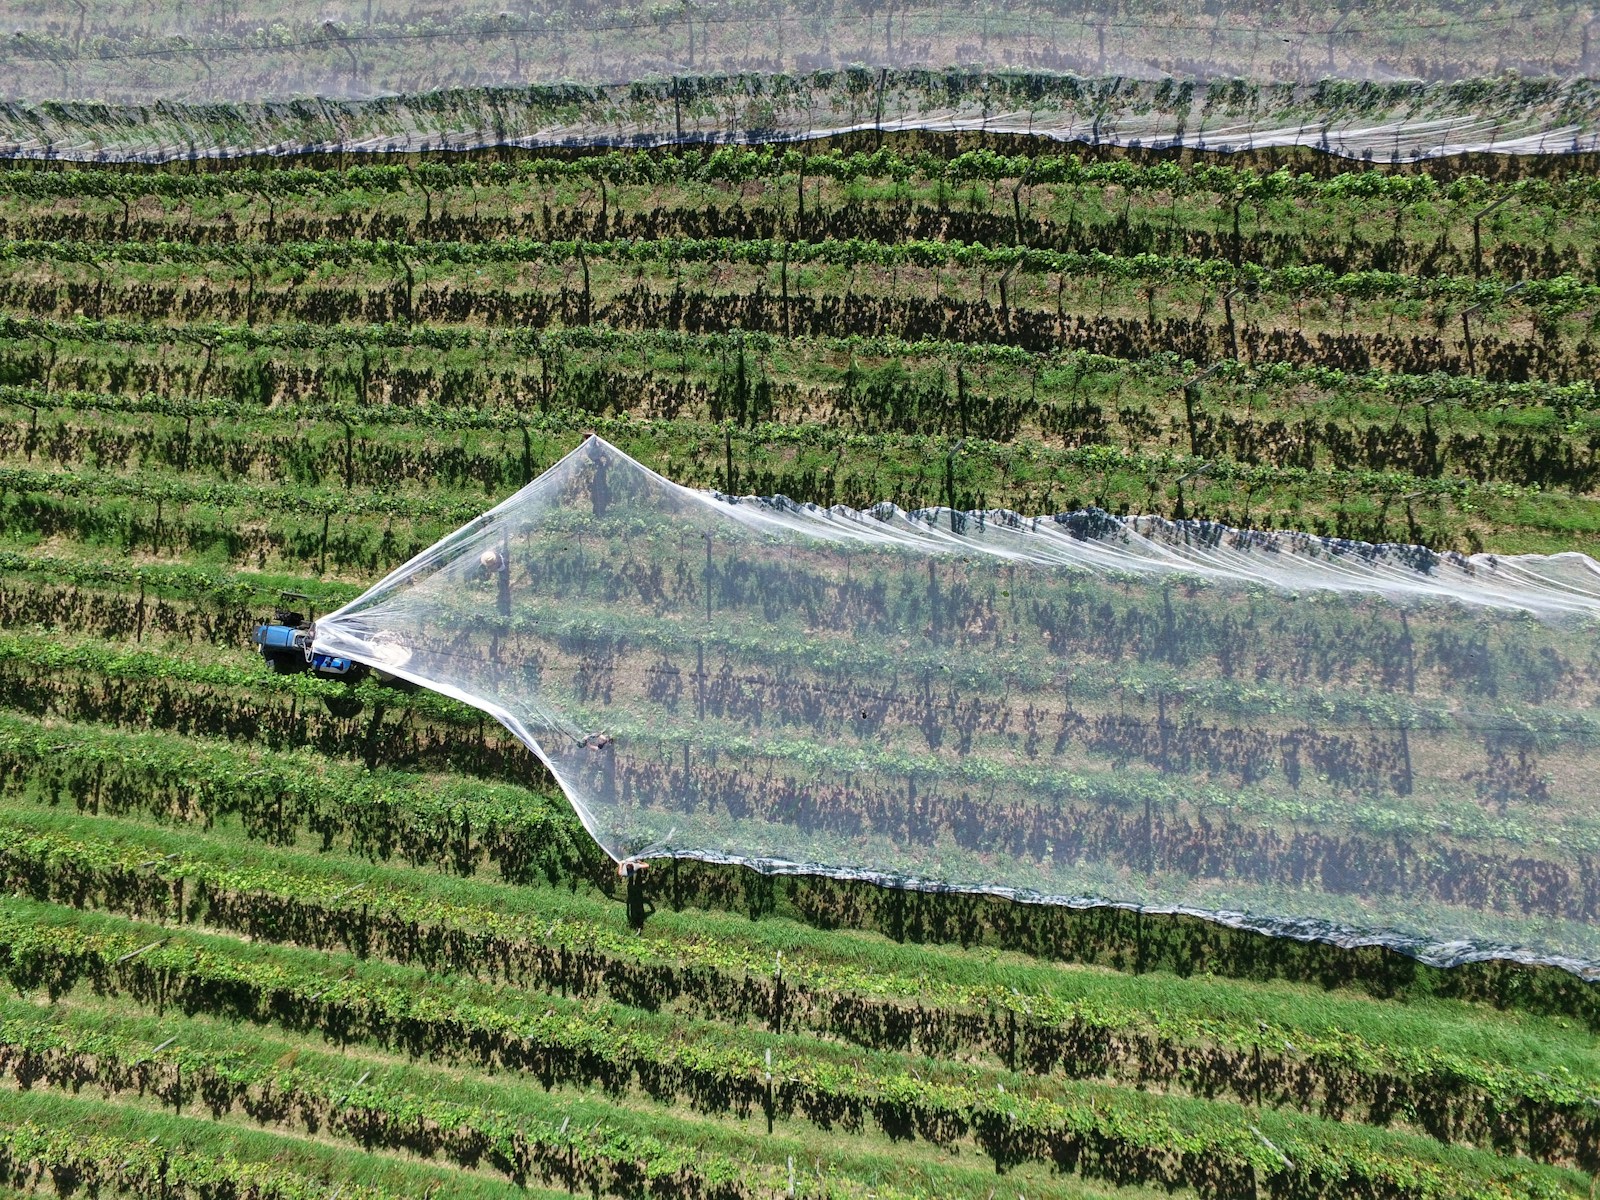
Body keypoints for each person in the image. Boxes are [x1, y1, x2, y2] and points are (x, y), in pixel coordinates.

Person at [620, 859, 654, 931]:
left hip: (634, 898)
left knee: (632, 884)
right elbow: (647, 865)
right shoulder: (634, 867)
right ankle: (638, 927)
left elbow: (628, 911)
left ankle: (637, 927)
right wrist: (640, 862)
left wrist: (621, 864)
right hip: (636, 898)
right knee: (636, 883)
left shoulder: (634, 866)